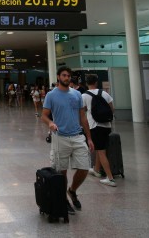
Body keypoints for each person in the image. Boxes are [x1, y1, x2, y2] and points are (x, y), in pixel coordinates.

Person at [41, 66, 94, 215]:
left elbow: (83, 117)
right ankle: (63, 198)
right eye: (64, 75)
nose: (67, 78)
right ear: (58, 77)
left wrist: (89, 138)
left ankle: (72, 190)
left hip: (77, 136)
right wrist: (50, 123)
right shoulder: (51, 95)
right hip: (60, 137)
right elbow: (44, 115)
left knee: (84, 167)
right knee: (61, 172)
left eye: (68, 76)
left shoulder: (77, 94)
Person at [82, 74, 116, 187]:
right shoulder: (104, 93)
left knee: (101, 151)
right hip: (106, 125)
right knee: (99, 148)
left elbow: (82, 112)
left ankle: (110, 178)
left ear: (86, 83)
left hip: (95, 126)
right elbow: (112, 109)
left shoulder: (84, 96)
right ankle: (96, 170)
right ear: (96, 82)